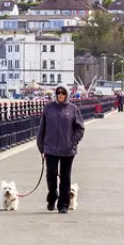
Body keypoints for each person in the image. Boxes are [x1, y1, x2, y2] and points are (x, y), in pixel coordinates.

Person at [37, 84, 85, 214]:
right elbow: (42, 128)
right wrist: (41, 145)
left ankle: (63, 204)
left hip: (67, 150)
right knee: (51, 174)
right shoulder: (48, 108)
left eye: (63, 93)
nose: (60, 95)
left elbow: (80, 128)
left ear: (67, 94)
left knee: (65, 177)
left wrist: (73, 142)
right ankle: (52, 196)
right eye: (58, 93)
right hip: (50, 148)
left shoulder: (73, 109)